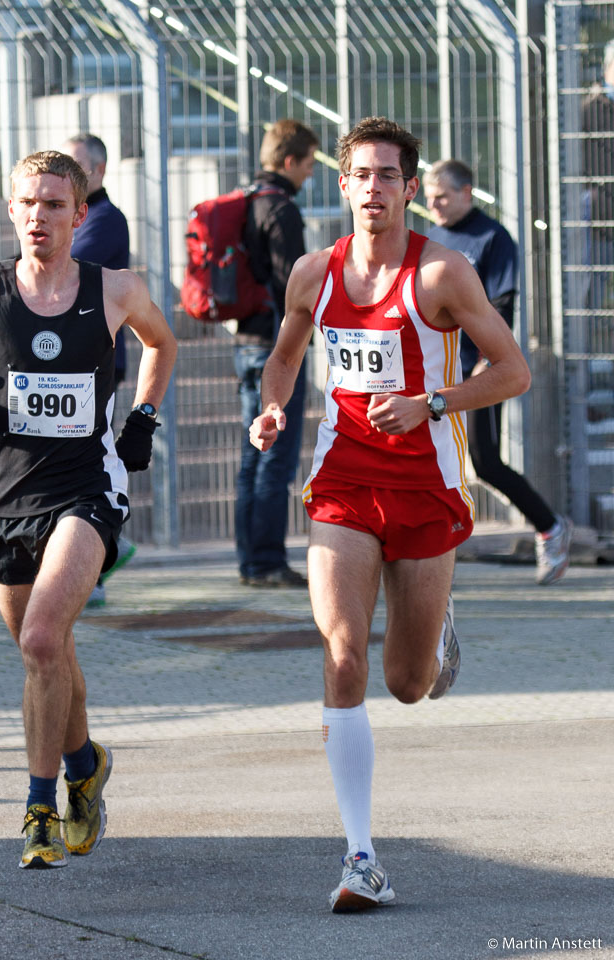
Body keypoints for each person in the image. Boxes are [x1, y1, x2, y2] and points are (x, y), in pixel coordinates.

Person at [249, 117, 531, 912]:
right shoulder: (315, 271)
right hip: (341, 483)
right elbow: (284, 357)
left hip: (427, 486)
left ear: (411, 188)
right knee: (342, 653)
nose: (373, 189)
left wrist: (432, 400)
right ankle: (361, 857)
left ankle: (435, 631)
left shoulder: (443, 274)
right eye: (359, 176)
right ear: (342, 186)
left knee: (407, 684)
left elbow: (513, 370)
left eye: (387, 176)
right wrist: (273, 409)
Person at [0, 150, 177, 870]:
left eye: (54, 205)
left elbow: (163, 343)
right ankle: (86, 764)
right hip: (5, 496)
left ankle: (38, 809)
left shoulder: (115, 288)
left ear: (79, 214)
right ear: (11, 211)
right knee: (48, 649)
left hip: (87, 488)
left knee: (38, 641)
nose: (39, 216)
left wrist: (143, 419)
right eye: (27, 203)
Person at [423, 159, 572, 586]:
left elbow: (501, 305)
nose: (433, 204)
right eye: (429, 197)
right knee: (430, 459)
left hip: (475, 368)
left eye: (443, 196)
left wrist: (488, 360)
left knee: (485, 462)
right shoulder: (431, 237)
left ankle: (551, 527)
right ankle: (425, 553)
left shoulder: (493, 238)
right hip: (435, 367)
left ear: (467, 192)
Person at [235, 118, 318, 587]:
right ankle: (266, 561)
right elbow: (296, 286)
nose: (309, 175)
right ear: (290, 161)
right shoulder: (282, 210)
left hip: (244, 340)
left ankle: (249, 561)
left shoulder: (246, 201)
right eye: (307, 165)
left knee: (252, 454)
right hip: (276, 345)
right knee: (276, 452)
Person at [62, 133, 134, 607]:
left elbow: (63, 268)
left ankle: (100, 566)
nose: (67, 175)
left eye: (78, 166)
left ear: (101, 171)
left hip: (97, 367)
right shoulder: (74, 218)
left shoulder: (106, 220)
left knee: (90, 470)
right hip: (66, 365)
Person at [582, 39, 614, 311]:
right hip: (601, 213)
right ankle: (590, 349)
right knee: (593, 287)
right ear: (607, 69)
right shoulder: (588, 108)